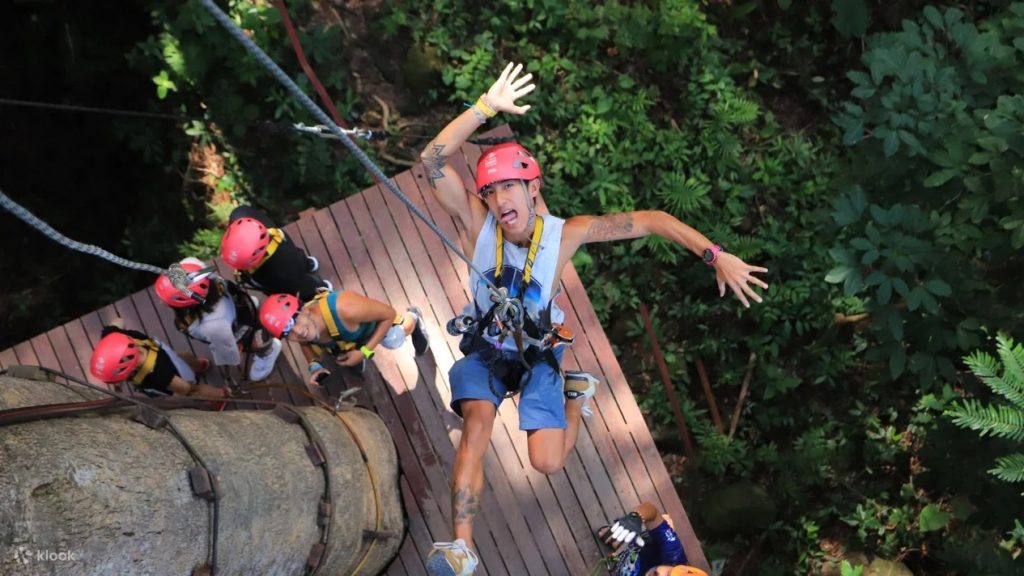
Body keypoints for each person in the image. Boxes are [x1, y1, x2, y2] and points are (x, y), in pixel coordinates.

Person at [419, 62, 768, 575]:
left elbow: (652, 220)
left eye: (509, 188)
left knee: (547, 462)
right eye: (491, 192)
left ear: (533, 188)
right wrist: (484, 108)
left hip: (538, 351)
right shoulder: (477, 222)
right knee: (477, 422)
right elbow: (430, 159)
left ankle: (576, 397)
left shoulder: (568, 234)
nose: (499, 200)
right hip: (490, 350)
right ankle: (463, 547)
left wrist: (716, 255)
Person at [258, 290, 429, 386]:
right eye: (287, 332)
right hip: (349, 340)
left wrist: (364, 352)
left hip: (373, 327)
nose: (298, 331)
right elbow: (306, 344)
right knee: (340, 354)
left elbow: (388, 314)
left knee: (393, 340)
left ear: (303, 309)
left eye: (294, 319)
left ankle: (413, 318)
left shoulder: (345, 308)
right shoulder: (303, 331)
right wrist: (314, 367)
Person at [153, 257, 283, 382]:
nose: (161, 302)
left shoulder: (211, 326)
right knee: (239, 313)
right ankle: (246, 308)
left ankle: (268, 350)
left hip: (235, 327)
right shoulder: (191, 265)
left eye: (165, 300)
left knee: (249, 339)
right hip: (234, 302)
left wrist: (230, 353)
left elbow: (227, 351)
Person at [89, 318, 228, 406]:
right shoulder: (111, 336)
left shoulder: (156, 375)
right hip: (162, 352)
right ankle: (199, 365)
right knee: (180, 358)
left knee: (194, 391)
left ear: (129, 369)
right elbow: (119, 320)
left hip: (174, 376)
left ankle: (221, 395)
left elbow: (185, 388)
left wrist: (179, 398)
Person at [220, 205, 332, 302]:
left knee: (299, 284)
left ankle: (317, 288)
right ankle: (308, 265)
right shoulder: (241, 213)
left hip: (279, 265)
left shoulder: (276, 273)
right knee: (296, 260)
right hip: (281, 242)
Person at [598, 501, 709, 576]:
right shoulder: (674, 554)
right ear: (683, 569)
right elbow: (652, 512)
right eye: (669, 575)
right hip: (642, 551)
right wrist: (636, 516)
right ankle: (626, 544)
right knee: (661, 529)